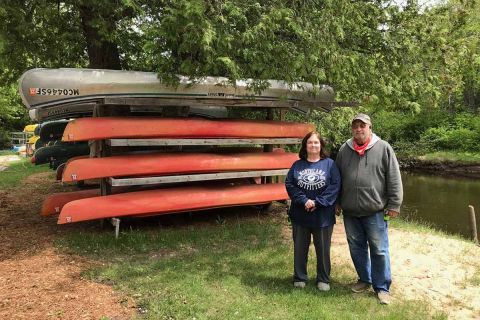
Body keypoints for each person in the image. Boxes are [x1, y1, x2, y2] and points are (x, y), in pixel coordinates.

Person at [335, 113, 403, 305]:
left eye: (362, 126)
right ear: (352, 129)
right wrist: (337, 202)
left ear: (370, 127)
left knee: (379, 250)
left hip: (375, 211)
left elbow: (394, 178)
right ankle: (365, 279)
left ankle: (382, 287)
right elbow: (337, 179)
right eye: (355, 126)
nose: (359, 129)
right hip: (350, 212)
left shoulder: (383, 148)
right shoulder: (344, 149)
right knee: (356, 248)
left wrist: (394, 204)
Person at [285, 131, 341, 291]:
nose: (313, 145)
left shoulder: (330, 164)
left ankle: (323, 279)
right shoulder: (297, 165)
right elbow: (289, 184)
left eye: (316, 142)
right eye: (310, 142)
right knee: (300, 248)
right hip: (300, 215)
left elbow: (335, 186)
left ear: (321, 145)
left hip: (322, 216)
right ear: (305, 146)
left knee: (323, 249)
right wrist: (304, 200)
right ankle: (300, 276)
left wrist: (318, 202)